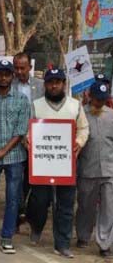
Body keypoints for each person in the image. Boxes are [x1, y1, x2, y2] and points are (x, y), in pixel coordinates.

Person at [27, 68, 89, 258]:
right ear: (45, 85)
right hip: (42, 164)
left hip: (66, 164)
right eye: (50, 82)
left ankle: (62, 244)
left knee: (66, 205)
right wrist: (29, 141)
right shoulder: (36, 105)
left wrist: (78, 142)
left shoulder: (75, 106)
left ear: (64, 84)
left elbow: (84, 129)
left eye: (58, 82)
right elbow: (27, 129)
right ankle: (36, 226)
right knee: (39, 201)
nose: (54, 86)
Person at [0, 59, 30, 254]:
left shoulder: (22, 99)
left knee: (13, 198)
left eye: (7, 74)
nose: (3, 77)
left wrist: (3, 150)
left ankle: (7, 237)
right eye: (0, 74)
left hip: (14, 157)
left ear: (12, 76)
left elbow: (20, 130)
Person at [76, 81, 113, 257]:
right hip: (87, 169)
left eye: (103, 100)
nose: (100, 103)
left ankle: (104, 243)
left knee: (108, 208)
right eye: (97, 99)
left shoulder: (111, 116)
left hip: (109, 170)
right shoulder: (81, 114)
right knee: (85, 205)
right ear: (90, 97)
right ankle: (83, 236)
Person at [11, 52, 44, 231]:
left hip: (37, 142)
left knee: (33, 181)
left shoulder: (41, 86)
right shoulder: (9, 85)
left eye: (22, 68)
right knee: (16, 181)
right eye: (16, 68)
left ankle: (29, 213)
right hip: (15, 142)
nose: (19, 71)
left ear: (30, 67)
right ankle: (17, 216)